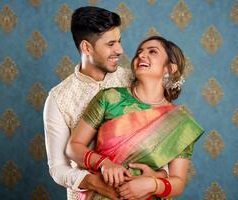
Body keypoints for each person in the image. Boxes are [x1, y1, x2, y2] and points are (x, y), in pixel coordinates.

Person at [66, 36, 204, 200]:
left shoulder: (180, 122)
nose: (141, 56)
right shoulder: (110, 98)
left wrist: (151, 184)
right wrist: (104, 163)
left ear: (169, 68)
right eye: (139, 52)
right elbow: (73, 147)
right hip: (100, 194)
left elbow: (178, 182)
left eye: (152, 52)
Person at [44, 6, 133, 200]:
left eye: (119, 41)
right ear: (86, 47)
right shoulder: (59, 98)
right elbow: (58, 168)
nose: (120, 50)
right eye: (111, 44)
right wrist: (95, 183)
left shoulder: (132, 81)